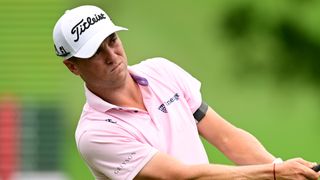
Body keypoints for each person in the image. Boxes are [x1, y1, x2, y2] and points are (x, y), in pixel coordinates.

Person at [52, 5, 320, 180]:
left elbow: (226, 137)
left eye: (112, 41)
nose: (112, 56)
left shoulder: (162, 71)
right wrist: (274, 172)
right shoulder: (94, 133)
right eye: (96, 52)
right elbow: (181, 176)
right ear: (73, 66)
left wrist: (288, 172)